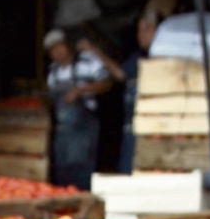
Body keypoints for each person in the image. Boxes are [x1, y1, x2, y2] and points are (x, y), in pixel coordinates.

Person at [45, 29, 114, 189]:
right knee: (62, 171)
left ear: (67, 45)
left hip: (83, 129)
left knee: (81, 171)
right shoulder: (53, 72)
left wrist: (80, 90)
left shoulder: (87, 62)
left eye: (59, 46)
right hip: (63, 132)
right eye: (52, 49)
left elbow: (106, 83)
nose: (57, 51)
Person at [117, 11, 159, 173]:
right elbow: (121, 74)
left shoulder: (165, 57)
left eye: (147, 29)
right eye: (139, 30)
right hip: (132, 130)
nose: (141, 34)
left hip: (154, 130)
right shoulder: (137, 57)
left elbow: (119, 74)